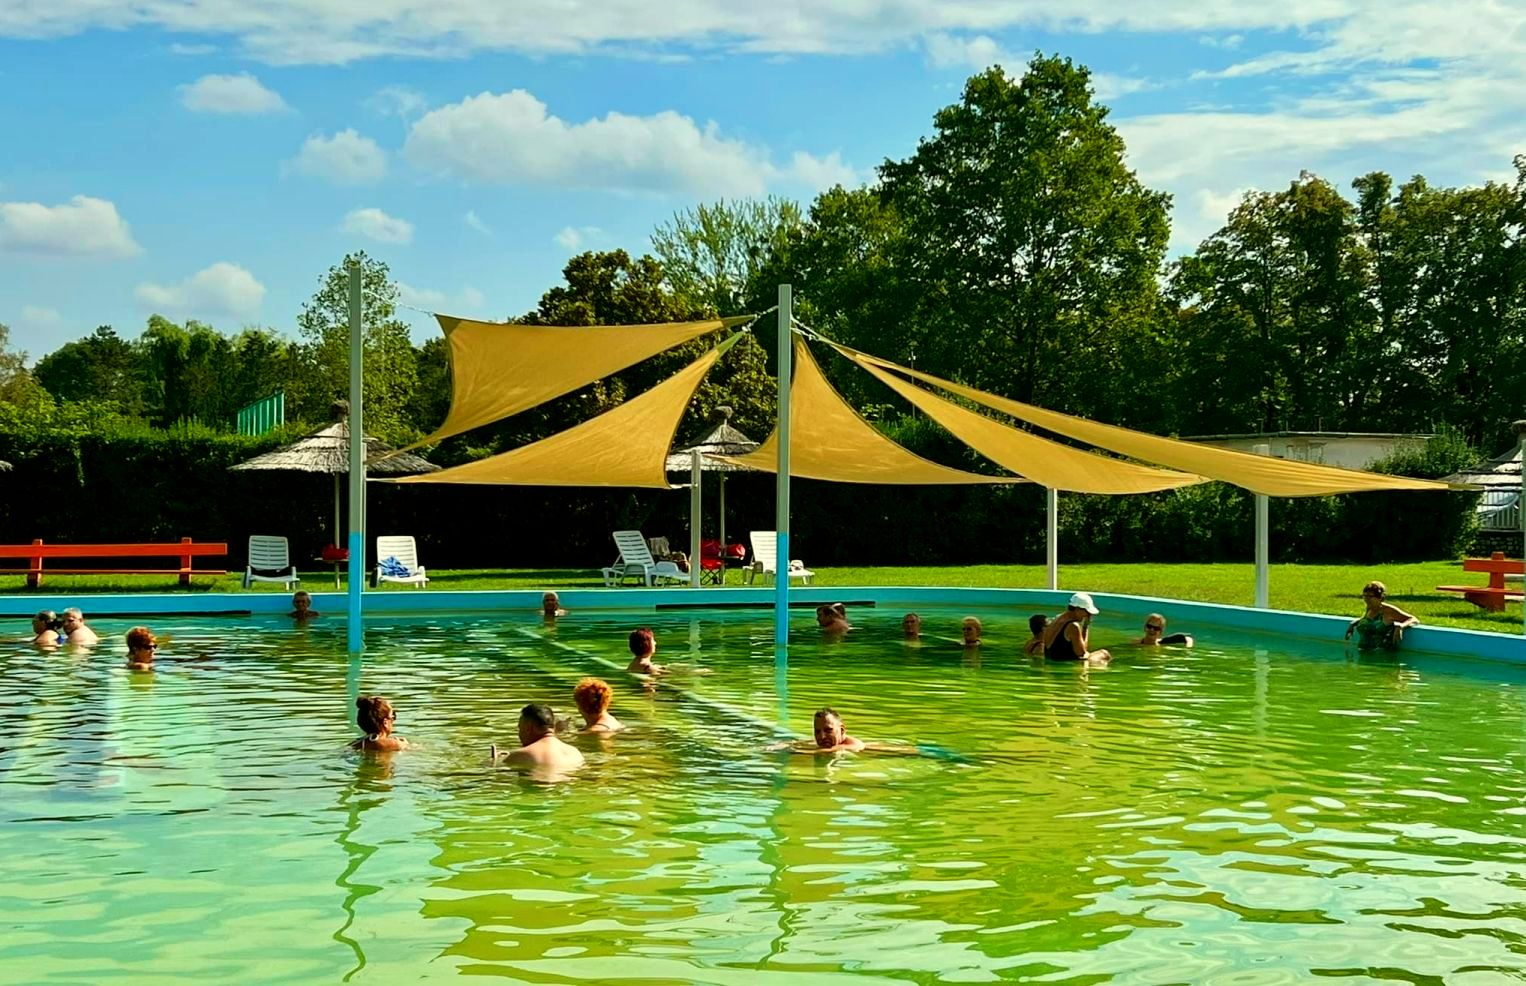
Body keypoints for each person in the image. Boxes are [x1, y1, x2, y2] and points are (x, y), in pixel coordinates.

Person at [493, 704, 585, 772]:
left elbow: (490, 772)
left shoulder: (521, 755)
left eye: (520, 727)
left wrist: (495, 760)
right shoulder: (575, 752)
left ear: (528, 728)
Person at [1345, 580, 1419, 650]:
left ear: (1380, 597)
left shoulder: (1388, 611)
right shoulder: (1370, 607)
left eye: (1370, 596)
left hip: (1382, 655)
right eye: (1364, 596)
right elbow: (1368, 622)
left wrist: (1401, 626)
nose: (1366, 599)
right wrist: (1353, 624)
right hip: (1364, 654)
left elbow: (1414, 619)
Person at [1043, 592, 1111, 666]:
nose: (1089, 616)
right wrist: (1085, 627)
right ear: (1078, 609)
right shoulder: (1073, 626)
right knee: (1104, 653)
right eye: (1088, 613)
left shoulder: (1056, 619)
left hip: (1051, 662)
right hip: (1067, 664)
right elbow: (1082, 653)